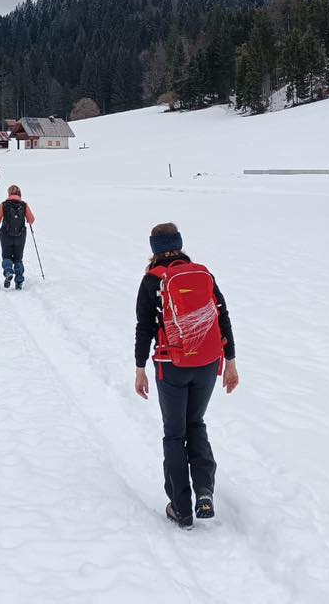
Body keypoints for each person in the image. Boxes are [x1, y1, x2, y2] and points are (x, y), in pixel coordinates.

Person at [134, 222, 239, 530]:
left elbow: (144, 327)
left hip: (172, 366)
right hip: (207, 363)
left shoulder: (152, 281)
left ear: (153, 248)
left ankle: (181, 507)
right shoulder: (203, 274)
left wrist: (140, 368)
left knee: (174, 434)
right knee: (196, 424)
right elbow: (222, 316)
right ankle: (204, 492)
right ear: (179, 243)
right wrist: (231, 362)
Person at [0, 184, 35, 289]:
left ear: (9, 193)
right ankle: (19, 280)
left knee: (6, 256)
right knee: (18, 259)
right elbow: (31, 220)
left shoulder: (4, 205)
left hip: (6, 235)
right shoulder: (24, 205)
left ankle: (8, 272)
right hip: (20, 236)